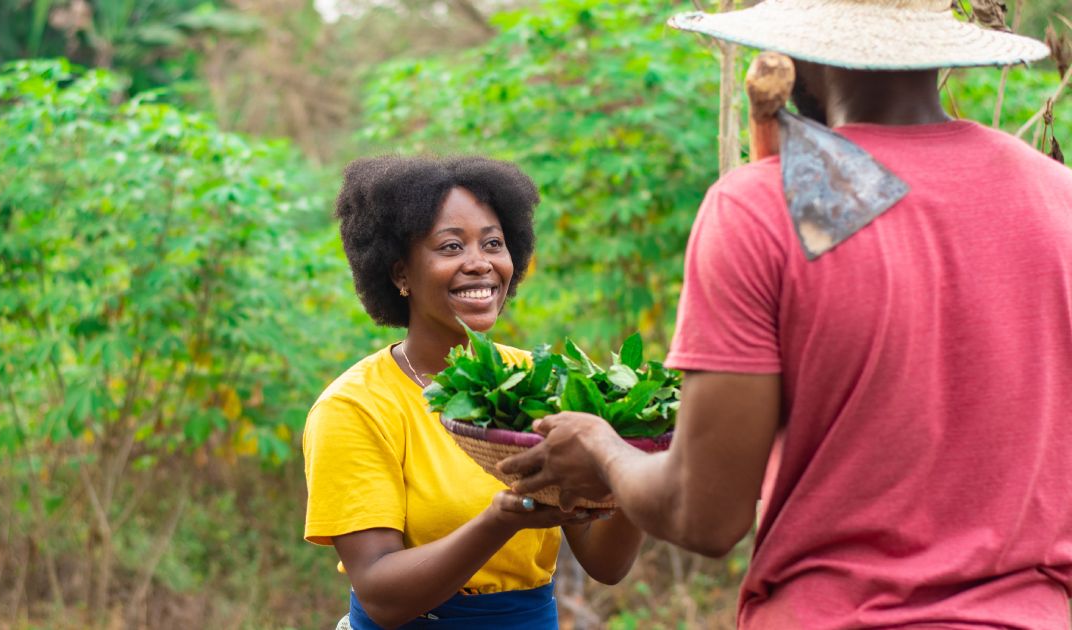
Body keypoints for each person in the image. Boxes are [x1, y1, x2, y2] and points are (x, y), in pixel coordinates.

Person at [499, 1, 1072, 627]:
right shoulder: (1057, 197)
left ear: (798, 51)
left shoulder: (758, 206)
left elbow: (705, 514)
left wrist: (601, 449)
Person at [303, 155, 644, 629]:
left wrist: (637, 459)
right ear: (400, 274)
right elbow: (381, 594)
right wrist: (502, 519)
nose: (480, 263)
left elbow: (606, 565)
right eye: (450, 246)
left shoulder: (540, 382)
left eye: (493, 243)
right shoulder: (356, 406)